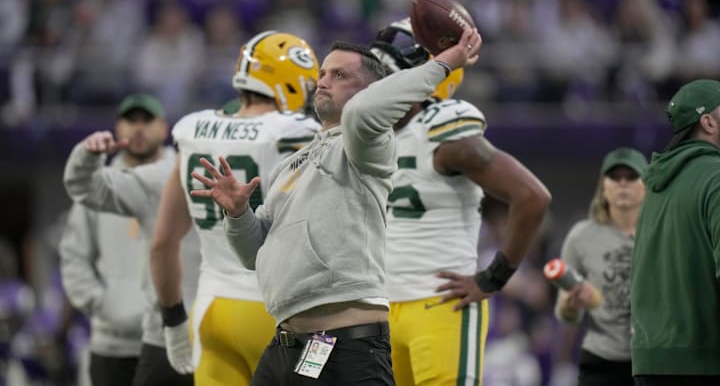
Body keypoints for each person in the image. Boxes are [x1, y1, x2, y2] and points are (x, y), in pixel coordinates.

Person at [192, 26, 483, 385]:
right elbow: (252, 253)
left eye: (340, 74)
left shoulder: (364, 142)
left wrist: (445, 63)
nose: (323, 82)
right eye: (322, 74)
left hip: (348, 344)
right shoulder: (291, 164)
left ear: (370, 91)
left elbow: (363, 112)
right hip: (286, 344)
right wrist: (237, 213)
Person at [369, 19, 552, 386]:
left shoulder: (444, 131)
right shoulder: (368, 135)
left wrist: (492, 277)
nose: (378, 86)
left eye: (387, 74)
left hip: (439, 305)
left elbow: (531, 197)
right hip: (380, 307)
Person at [149, 30, 321, 385]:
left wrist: (173, 322)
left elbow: (162, 243)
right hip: (274, 311)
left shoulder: (193, 129)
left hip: (210, 309)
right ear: (292, 82)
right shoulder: (294, 130)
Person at [63, 94, 199, 386]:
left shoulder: (186, 177)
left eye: (147, 121)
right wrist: (105, 305)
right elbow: (74, 256)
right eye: (131, 121)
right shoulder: (99, 185)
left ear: (164, 128)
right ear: (117, 128)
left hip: (171, 338)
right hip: (112, 343)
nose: (139, 129)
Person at [631, 79, 720, 385]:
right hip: (703, 361)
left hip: (649, 360)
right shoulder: (715, 177)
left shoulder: (654, 186)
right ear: (708, 122)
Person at [554, 147, 647, 386]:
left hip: (652, 358)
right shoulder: (581, 237)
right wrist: (571, 305)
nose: (622, 184)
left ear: (646, 184)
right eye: (615, 177)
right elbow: (565, 314)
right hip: (601, 359)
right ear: (603, 187)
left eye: (631, 176)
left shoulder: (664, 234)